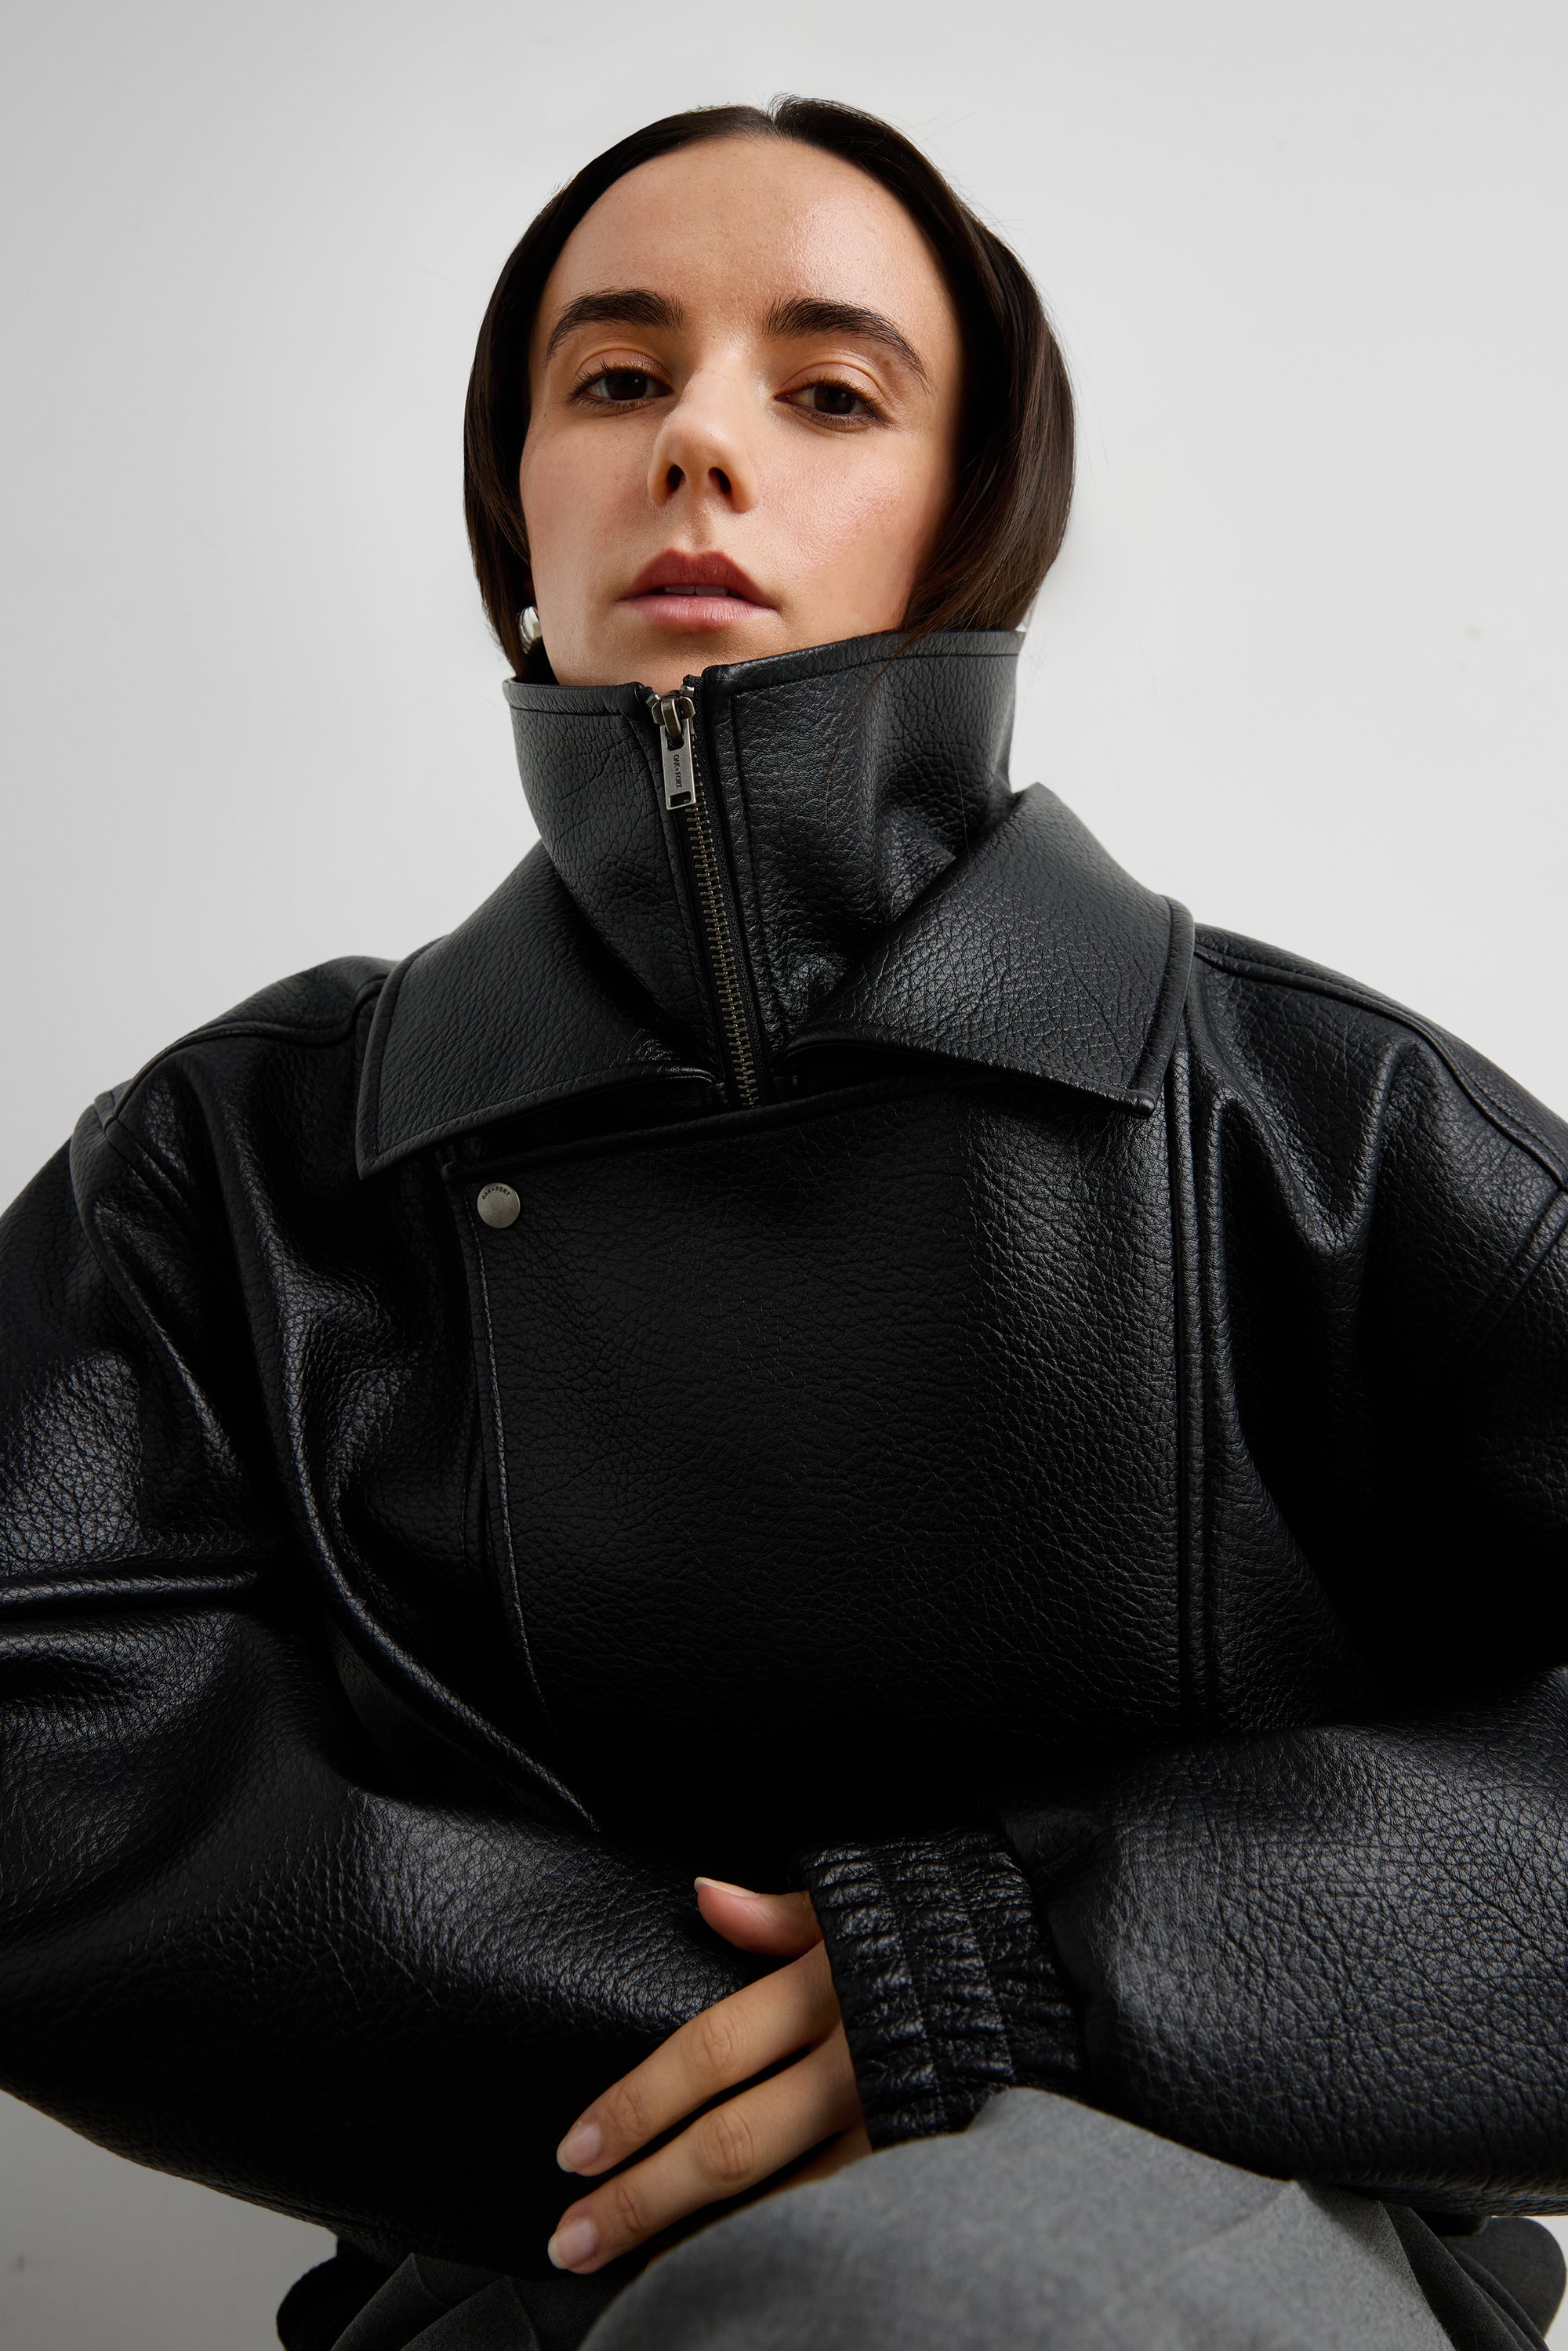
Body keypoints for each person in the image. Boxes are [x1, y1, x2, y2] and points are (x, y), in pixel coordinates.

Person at [1, 95, 1565, 2351]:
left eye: (830, 392)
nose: (699, 446)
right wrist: (742, 2049)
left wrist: (1055, 1970)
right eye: (615, 377)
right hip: (532, 2269)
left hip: (1229, 2240)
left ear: (970, 525)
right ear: (516, 511)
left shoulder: (1321, 1118)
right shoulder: (242, 1165)